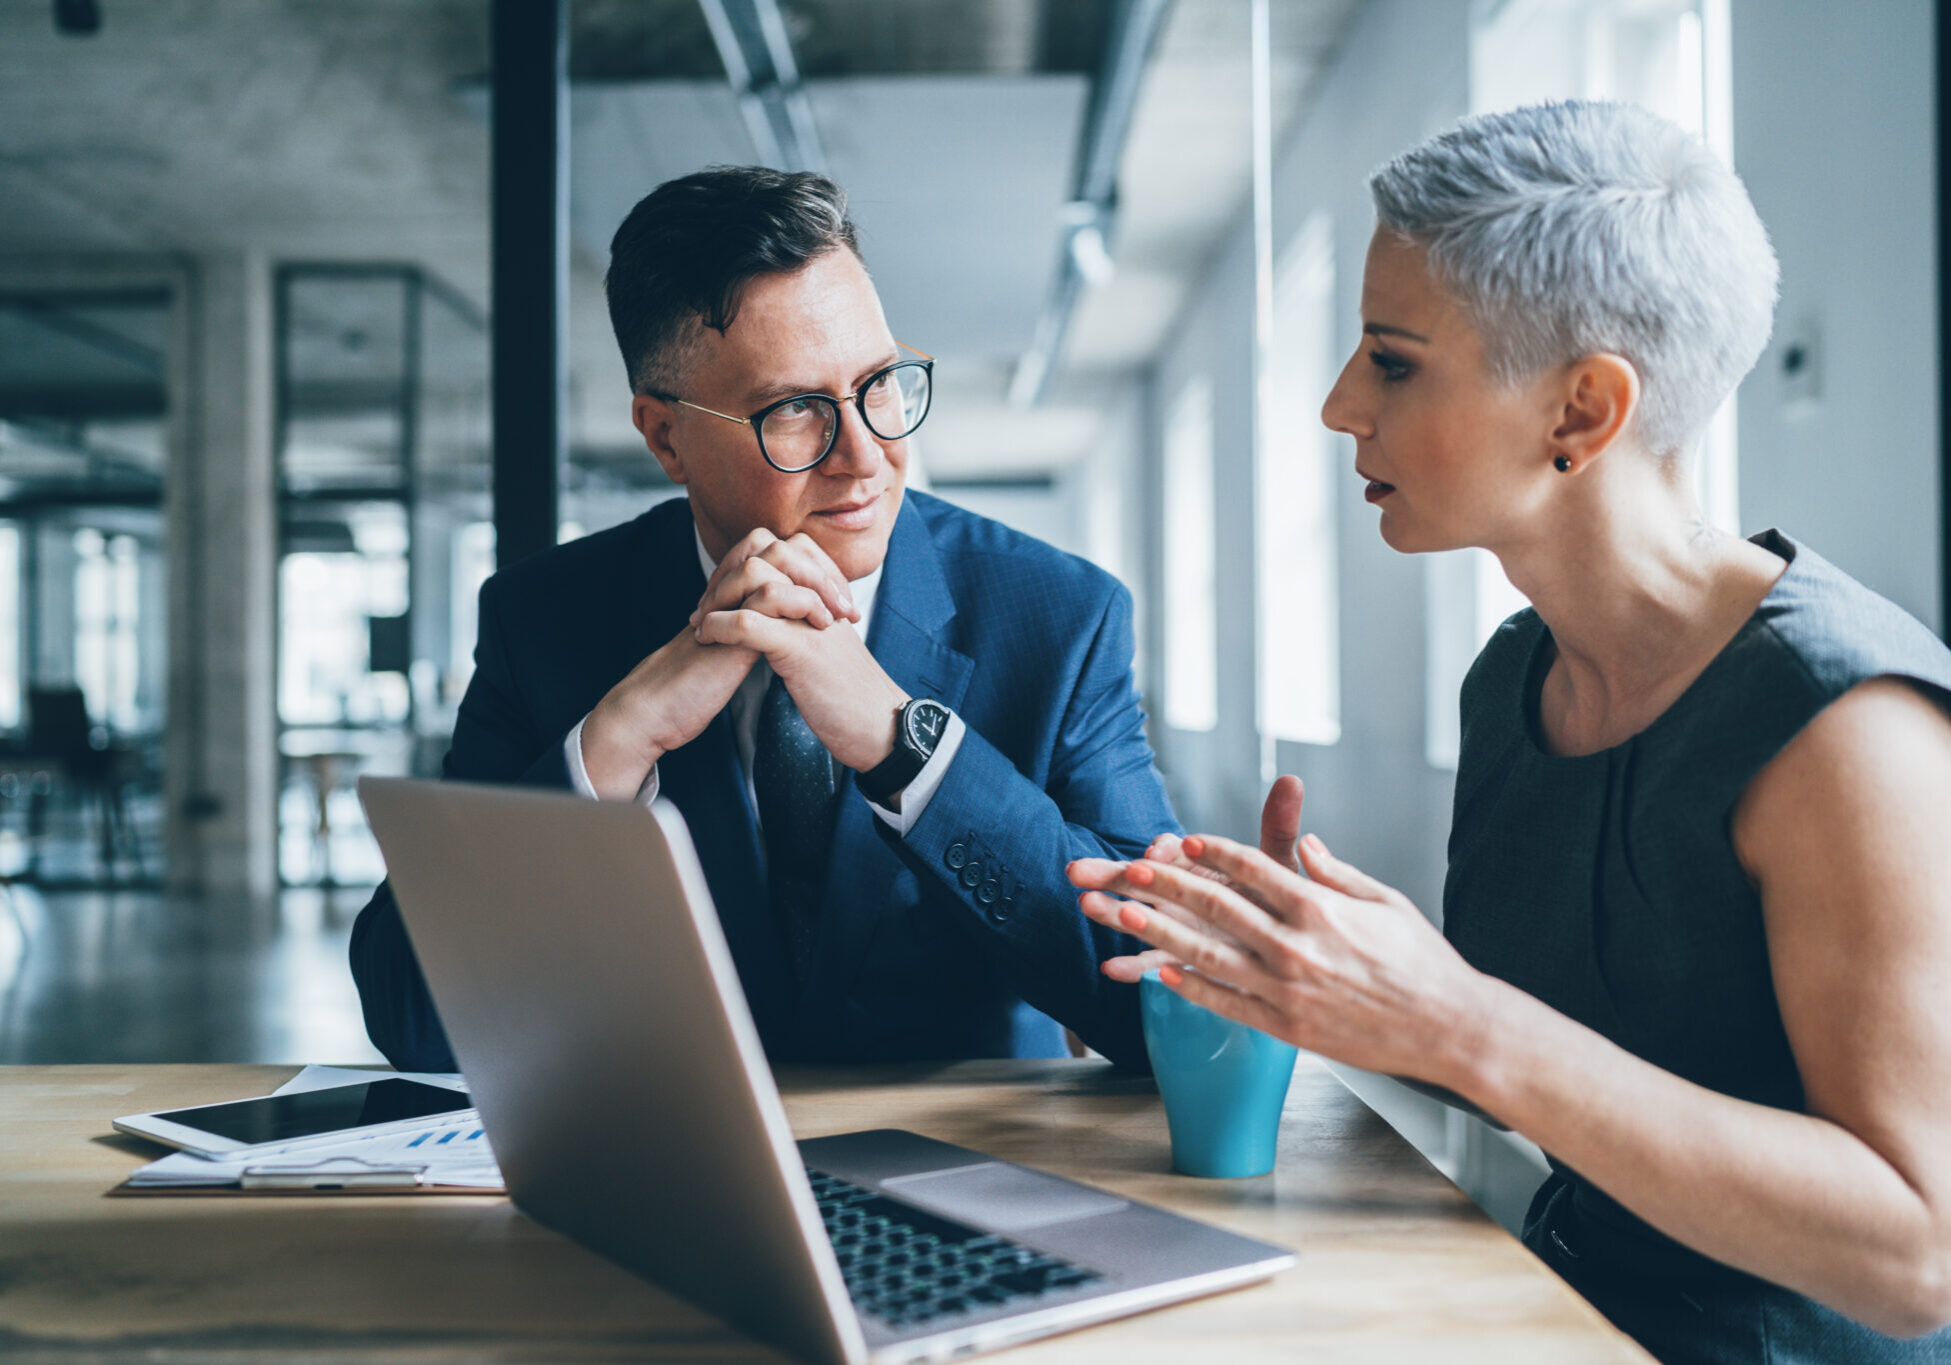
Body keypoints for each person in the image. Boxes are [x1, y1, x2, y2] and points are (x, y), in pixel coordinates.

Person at [1069, 101, 1951, 1364]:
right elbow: (1560, 1064)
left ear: (1579, 414)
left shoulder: (1848, 732)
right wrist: (1322, 970)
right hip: (1551, 1315)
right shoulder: (1515, 680)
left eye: (1390, 359)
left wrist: (1452, 1019)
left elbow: (1918, 1254)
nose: (1335, 406)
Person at [353, 166, 1174, 1074]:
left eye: (880, 383)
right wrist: (617, 741)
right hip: (673, 1175)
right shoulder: (544, 620)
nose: (867, 457)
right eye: (794, 411)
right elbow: (411, 1012)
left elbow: (1159, 1000)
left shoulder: (1061, 617)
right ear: (665, 437)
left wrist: (909, 749)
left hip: (977, 1171)